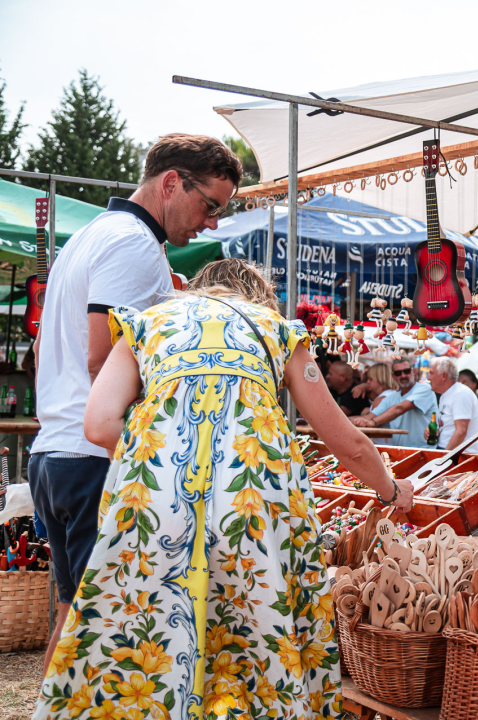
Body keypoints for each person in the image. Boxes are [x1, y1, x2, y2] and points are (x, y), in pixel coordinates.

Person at [34, 259, 413, 720]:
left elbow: (97, 425)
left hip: (156, 498)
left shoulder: (144, 323)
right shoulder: (276, 328)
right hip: (252, 498)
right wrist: (393, 491)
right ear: (257, 295)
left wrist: (167, 452)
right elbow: (347, 443)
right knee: (253, 633)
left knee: (143, 631)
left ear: (196, 288)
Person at [28, 134, 242, 677]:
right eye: (209, 205)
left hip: (57, 452)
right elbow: (104, 362)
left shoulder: (94, 234)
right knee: (106, 638)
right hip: (95, 458)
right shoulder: (133, 244)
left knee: (73, 620)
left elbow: (42, 349)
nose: (212, 222)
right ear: (172, 182)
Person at [356, 357, 437, 448]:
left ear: (413, 371)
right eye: (398, 373)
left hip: (424, 450)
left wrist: (373, 422)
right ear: (393, 376)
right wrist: (359, 421)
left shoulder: (424, 389)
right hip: (401, 451)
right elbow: (371, 415)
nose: (403, 376)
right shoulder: (392, 397)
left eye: (406, 371)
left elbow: (399, 409)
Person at [426, 358, 478, 452]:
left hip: (460, 457)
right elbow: (450, 427)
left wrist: (442, 459)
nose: (429, 378)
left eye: (431, 373)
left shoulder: (460, 393)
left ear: (443, 376)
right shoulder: (448, 393)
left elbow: (461, 432)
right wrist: (433, 431)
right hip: (452, 454)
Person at [360, 362, 400, 445]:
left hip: (383, 445)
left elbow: (371, 425)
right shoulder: (393, 394)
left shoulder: (381, 399)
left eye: (370, 379)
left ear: (380, 380)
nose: (367, 382)